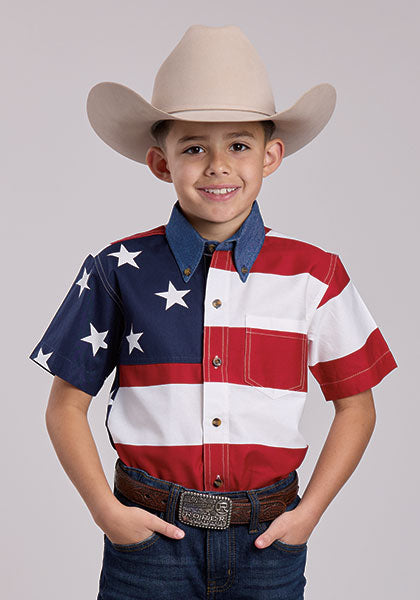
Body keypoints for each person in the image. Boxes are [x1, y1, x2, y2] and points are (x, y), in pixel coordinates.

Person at [29, 24, 398, 600]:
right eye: (194, 147)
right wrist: (107, 512)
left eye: (240, 146)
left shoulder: (315, 274)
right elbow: (64, 407)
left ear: (271, 156)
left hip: (267, 545)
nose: (218, 165)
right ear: (161, 162)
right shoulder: (116, 270)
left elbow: (358, 406)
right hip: (149, 546)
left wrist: (309, 514)